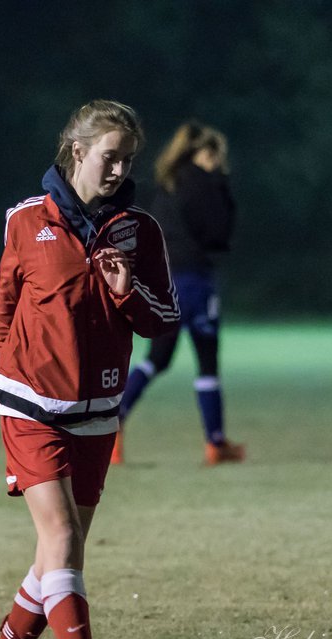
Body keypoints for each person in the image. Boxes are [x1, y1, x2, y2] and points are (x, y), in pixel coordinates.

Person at [0, 99, 180, 639]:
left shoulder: (141, 231)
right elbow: (7, 300)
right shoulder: (27, 221)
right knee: (59, 537)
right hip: (29, 399)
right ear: (77, 151)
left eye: (128, 160)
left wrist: (125, 292)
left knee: (61, 553)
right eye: (111, 157)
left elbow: (165, 320)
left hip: (98, 407)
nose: (119, 170)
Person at [112, 121, 245, 466]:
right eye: (216, 155)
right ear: (203, 153)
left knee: (157, 358)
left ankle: (112, 425)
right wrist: (223, 190)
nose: (219, 162)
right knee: (207, 361)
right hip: (195, 281)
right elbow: (219, 233)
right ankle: (215, 443)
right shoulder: (207, 186)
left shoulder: (168, 185)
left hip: (164, 280)